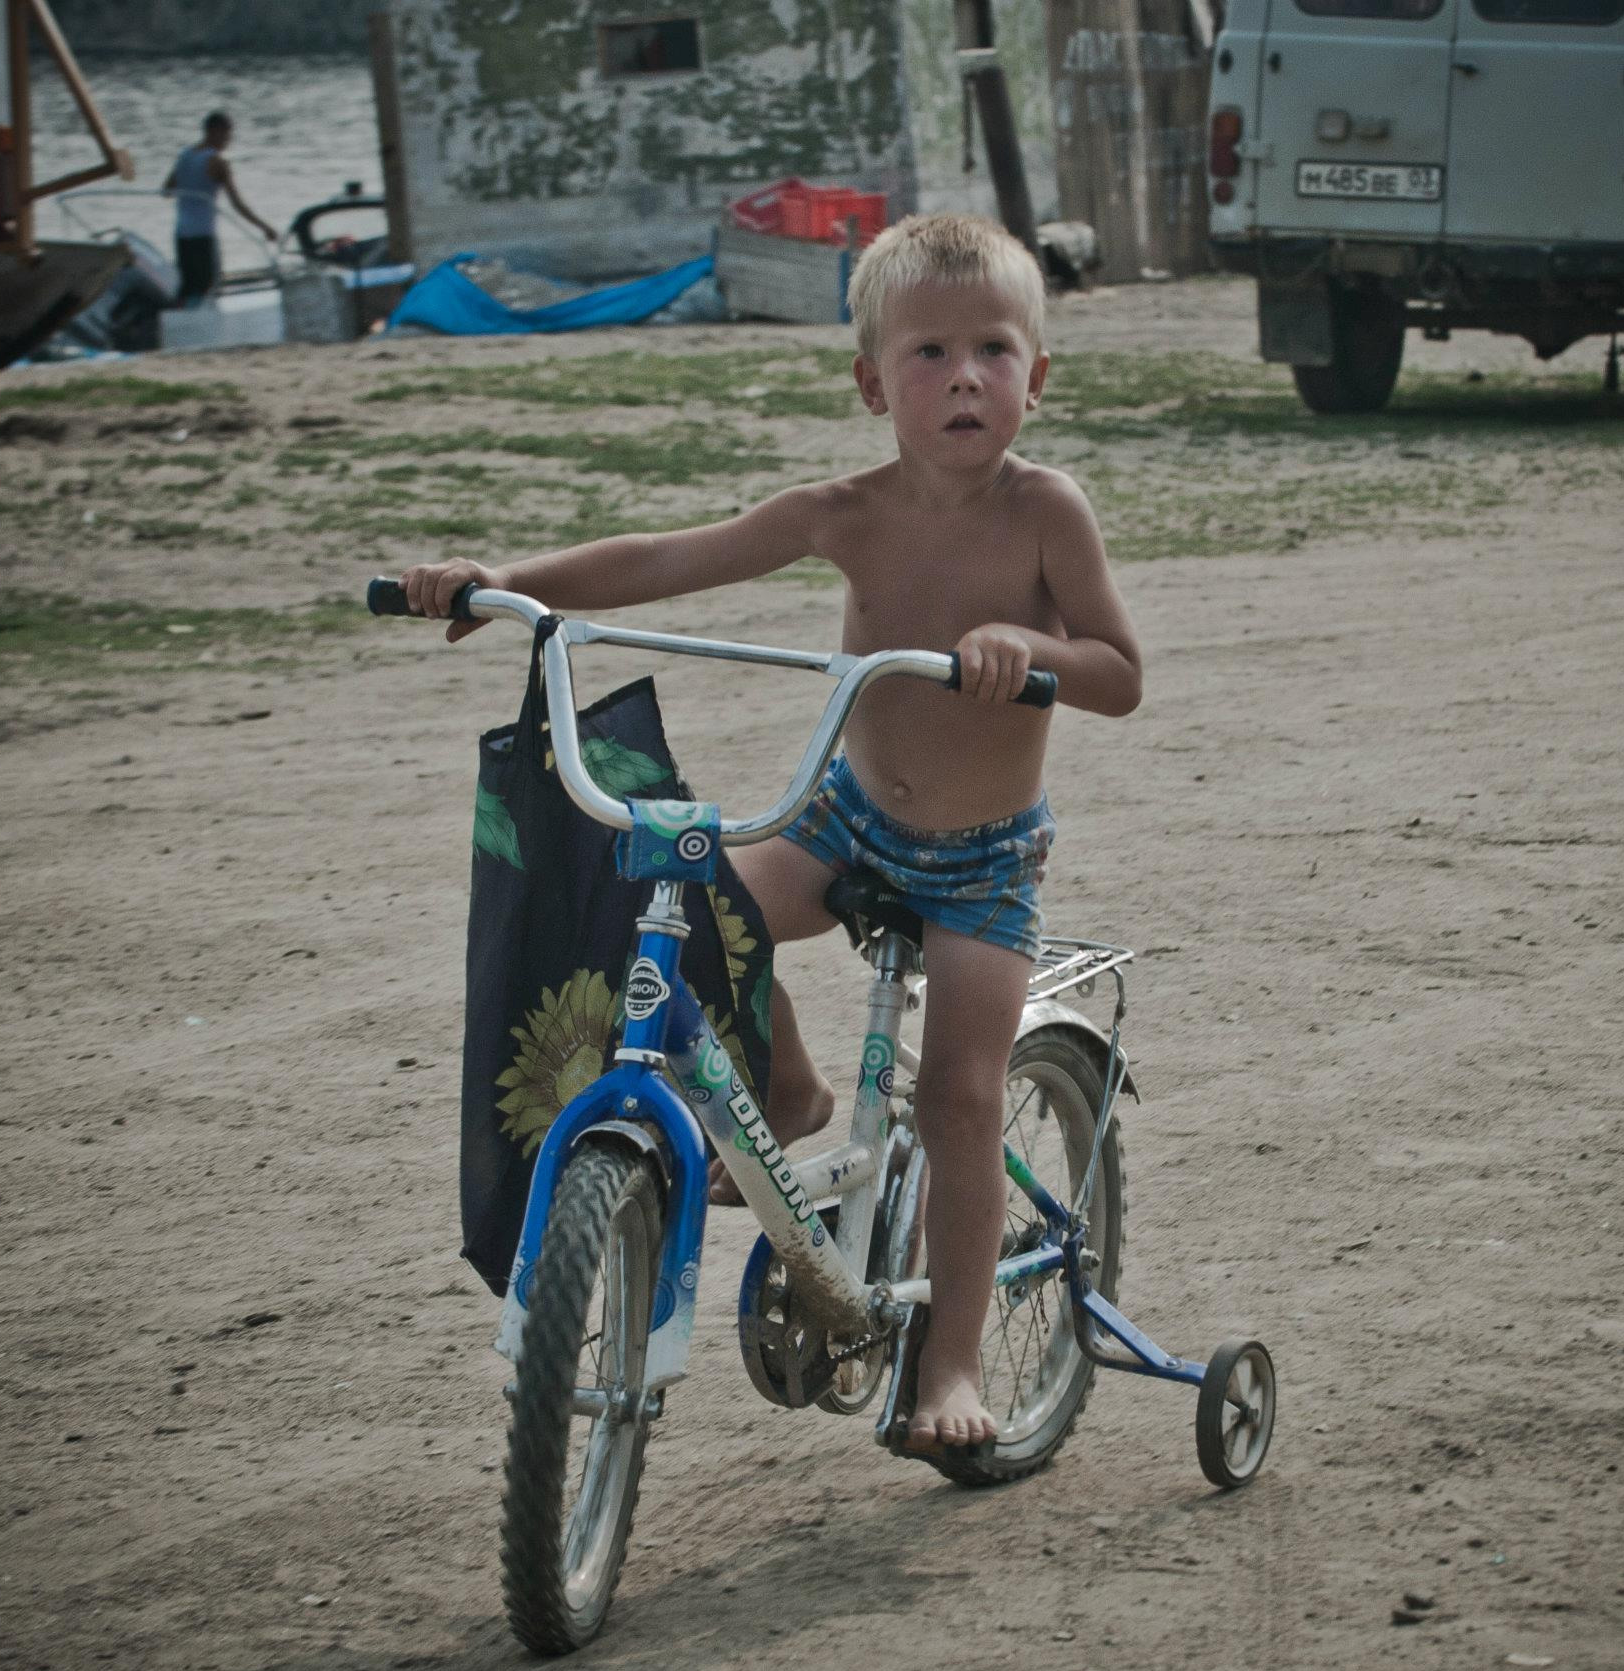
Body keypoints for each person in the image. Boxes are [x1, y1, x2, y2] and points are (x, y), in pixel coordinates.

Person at [398, 214, 1144, 1455]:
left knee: (960, 1100)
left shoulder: (1043, 514)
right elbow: (670, 558)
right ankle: (787, 1091)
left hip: (980, 861)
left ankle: (948, 1367)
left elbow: (1118, 675)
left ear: (1036, 377)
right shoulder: (842, 511)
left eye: (994, 351)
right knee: (686, 922)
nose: (964, 377)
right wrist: (508, 587)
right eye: (927, 355)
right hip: (846, 824)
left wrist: (1035, 655)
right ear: (869, 385)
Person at [162, 111, 277, 305]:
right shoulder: (218, 162)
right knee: (208, 284)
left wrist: (191, 185)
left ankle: (178, 321)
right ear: (215, 131)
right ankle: (200, 325)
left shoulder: (184, 156)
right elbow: (236, 203)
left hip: (182, 233)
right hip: (203, 235)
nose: (228, 140)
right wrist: (264, 227)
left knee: (188, 285)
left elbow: (166, 191)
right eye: (227, 135)